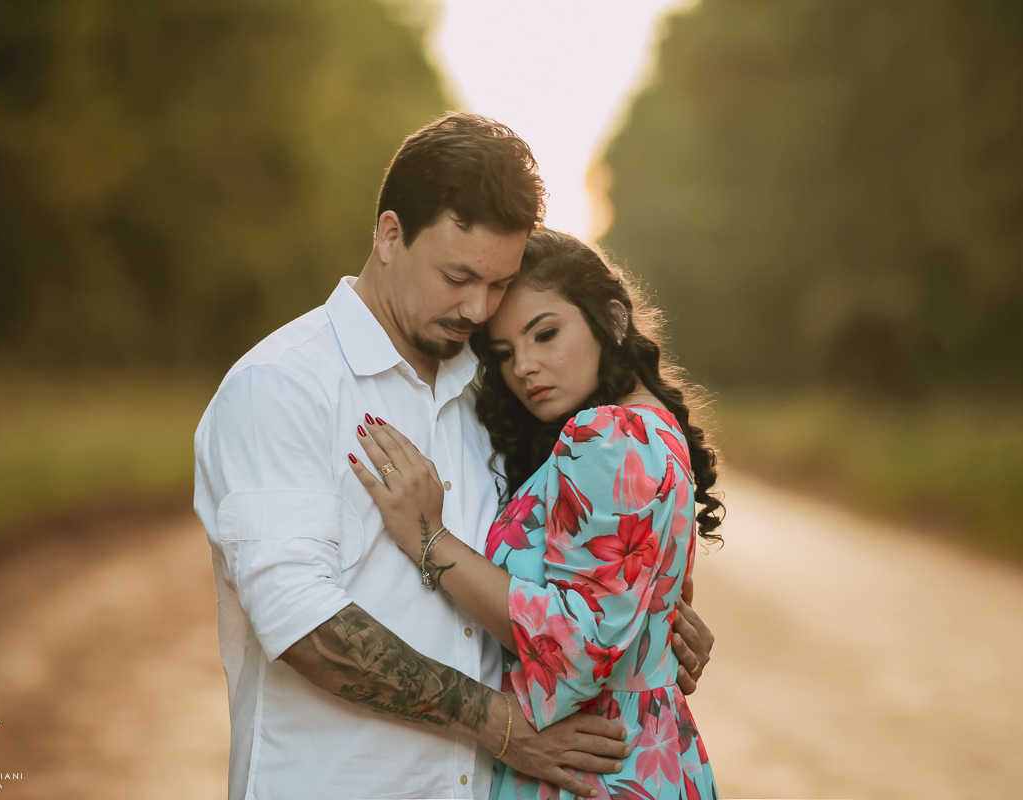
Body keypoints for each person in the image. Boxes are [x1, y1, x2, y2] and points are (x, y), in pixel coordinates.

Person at [193, 114, 713, 800]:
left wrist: (651, 619)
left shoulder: (494, 388)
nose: (477, 307)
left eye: (497, 284)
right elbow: (301, 623)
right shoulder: (283, 385)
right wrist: (498, 723)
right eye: (458, 275)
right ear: (388, 235)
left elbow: (570, 559)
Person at [346, 229, 724, 799]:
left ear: (612, 320)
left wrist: (430, 539)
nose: (525, 366)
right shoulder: (648, 427)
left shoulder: (608, 436)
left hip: (594, 771)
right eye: (503, 354)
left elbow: (576, 646)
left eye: (545, 334)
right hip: (642, 758)